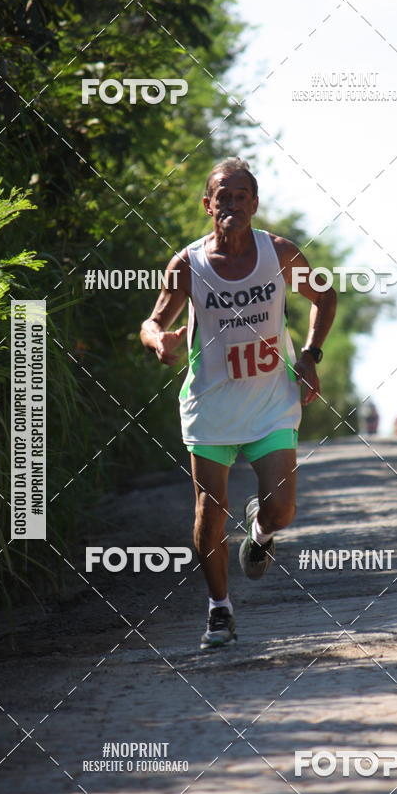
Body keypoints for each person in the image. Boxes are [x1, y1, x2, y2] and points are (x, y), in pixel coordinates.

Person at [140, 157, 337, 649]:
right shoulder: (189, 265)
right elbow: (153, 322)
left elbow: (325, 297)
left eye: (241, 194)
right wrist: (158, 342)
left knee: (282, 510)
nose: (232, 203)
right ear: (207, 205)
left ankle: (260, 533)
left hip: (271, 400)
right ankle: (219, 609)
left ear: (255, 202)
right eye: (222, 196)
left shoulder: (280, 254)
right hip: (211, 406)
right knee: (209, 510)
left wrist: (310, 355)